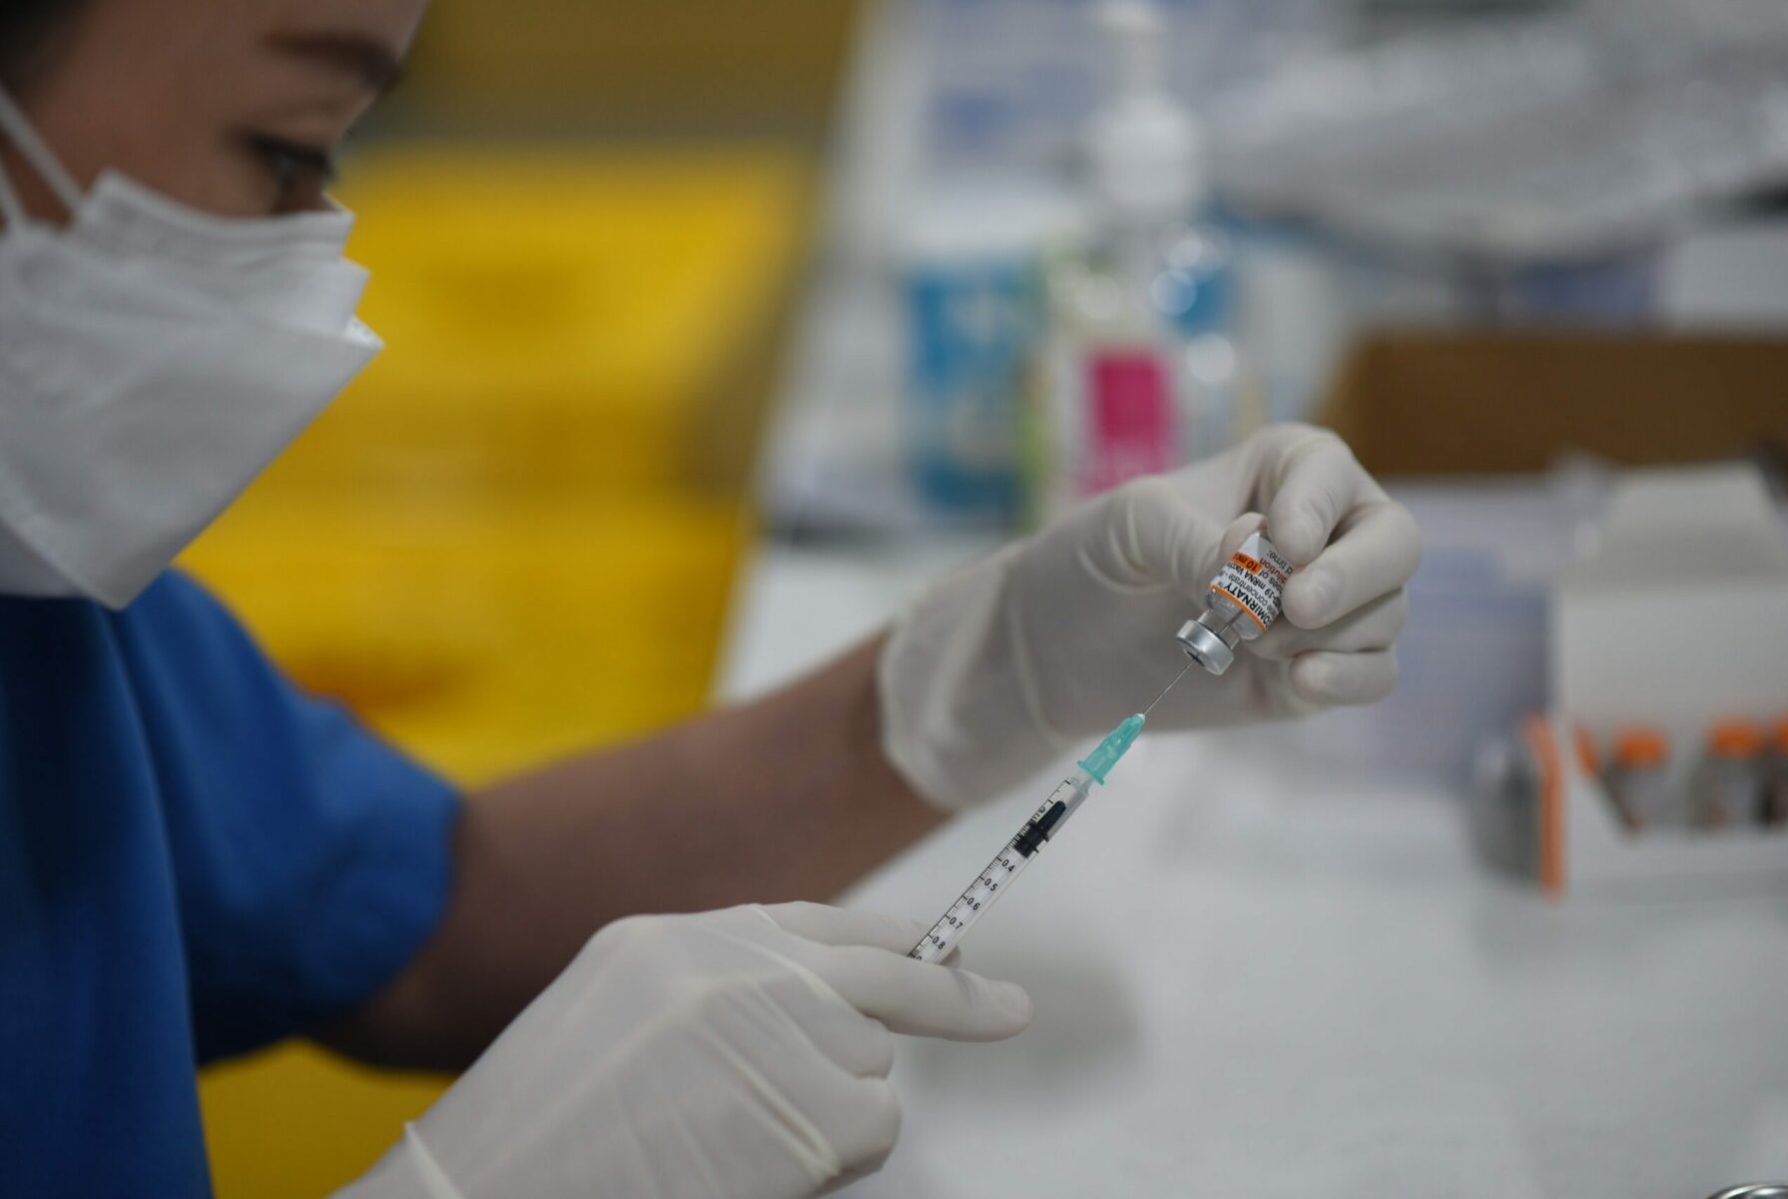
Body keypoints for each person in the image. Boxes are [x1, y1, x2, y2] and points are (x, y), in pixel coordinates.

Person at [0, 1, 1422, 1196]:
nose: (325, 252)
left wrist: (992, 672)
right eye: (286, 146)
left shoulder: (45, 618)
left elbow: (420, 919)